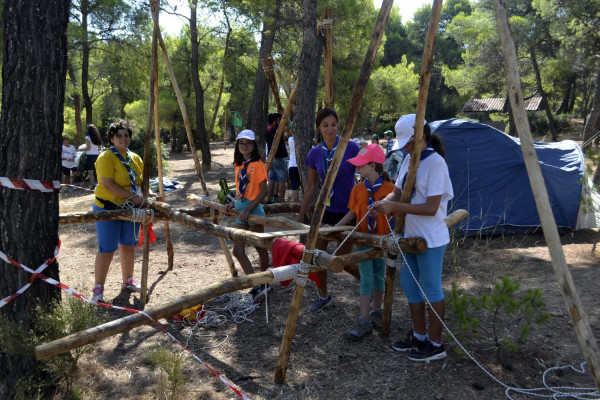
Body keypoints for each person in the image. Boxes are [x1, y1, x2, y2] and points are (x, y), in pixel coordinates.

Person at [370, 114, 454, 362]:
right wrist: (381, 203)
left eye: (410, 142)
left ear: (423, 136)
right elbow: (397, 192)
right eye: (404, 143)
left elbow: (431, 207)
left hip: (430, 238)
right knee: (409, 284)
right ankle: (419, 335)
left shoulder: (436, 163)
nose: (406, 147)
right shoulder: (409, 159)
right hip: (410, 235)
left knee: (431, 288)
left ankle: (436, 343)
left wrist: (396, 208)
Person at [296, 107, 361, 312]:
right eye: (325, 125)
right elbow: (311, 185)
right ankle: (323, 296)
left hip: (348, 211)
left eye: (333, 124)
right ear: (319, 127)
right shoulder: (315, 153)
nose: (330, 129)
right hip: (325, 210)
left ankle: (374, 286)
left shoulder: (350, 147)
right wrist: (301, 212)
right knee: (318, 256)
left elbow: (365, 174)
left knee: (343, 261)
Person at [91, 120, 160, 302]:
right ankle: (98, 289)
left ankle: (128, 281)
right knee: (106, 249)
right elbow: (108, 184)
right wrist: (133, 198)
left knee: (128, 245)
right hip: (108, 209)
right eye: (119, 136)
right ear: (112, 138)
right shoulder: (106, 157)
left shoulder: (135, 158)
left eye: (126, 135)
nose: (123, 139)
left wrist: (150, 194)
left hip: (131, 210)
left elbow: (140, 183)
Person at [334, 144, 395, 340]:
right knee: (366, 278)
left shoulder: (391, 190)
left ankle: (378, 311)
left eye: (361, 165)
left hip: (382, 242)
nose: (357, 168)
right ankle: (363, 319)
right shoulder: (358, 189)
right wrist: (335, 227)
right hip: (362, 240)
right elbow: (352, 212)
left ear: (373, 165)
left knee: (379, 277)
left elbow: (398, 215)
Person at [226, 129, 271, 303]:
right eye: (242, 143)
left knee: (260, 247)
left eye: (248, 143)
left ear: (254, 145)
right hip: (240, 207)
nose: (245, 146)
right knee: (238, 250)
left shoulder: (258, 163)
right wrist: (232, 201)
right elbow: (240, 189)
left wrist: (248, 209)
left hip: (253, 209)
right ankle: (255, 283)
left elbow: (263, 192)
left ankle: (264, 281)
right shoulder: (238, 164)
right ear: (238, 145)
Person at [265, 113, 288, 203]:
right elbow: (287, 128)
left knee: (271, 179)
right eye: (278, 120)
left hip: (270, 159)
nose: (279, 122)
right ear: (274, 121)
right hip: (278, 158)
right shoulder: (276, 130)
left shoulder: (267, 130)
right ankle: (282, 200)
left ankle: (268, 199)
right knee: (282, 179)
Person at [83, 124, 102, 189]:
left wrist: (79, 149)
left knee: (90, 172)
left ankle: (93, 185)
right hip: (96, 155)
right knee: (97, 171)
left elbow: (88, 148)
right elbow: (99, 148)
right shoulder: (97, 137)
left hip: (90, 156)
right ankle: (100, 184)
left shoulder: (87, 137)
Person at [287, 129, 300, 203]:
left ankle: (296, 208)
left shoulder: (290, 139)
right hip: (301, 165)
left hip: (292, 164)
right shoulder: (303, 138)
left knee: (294, 187)